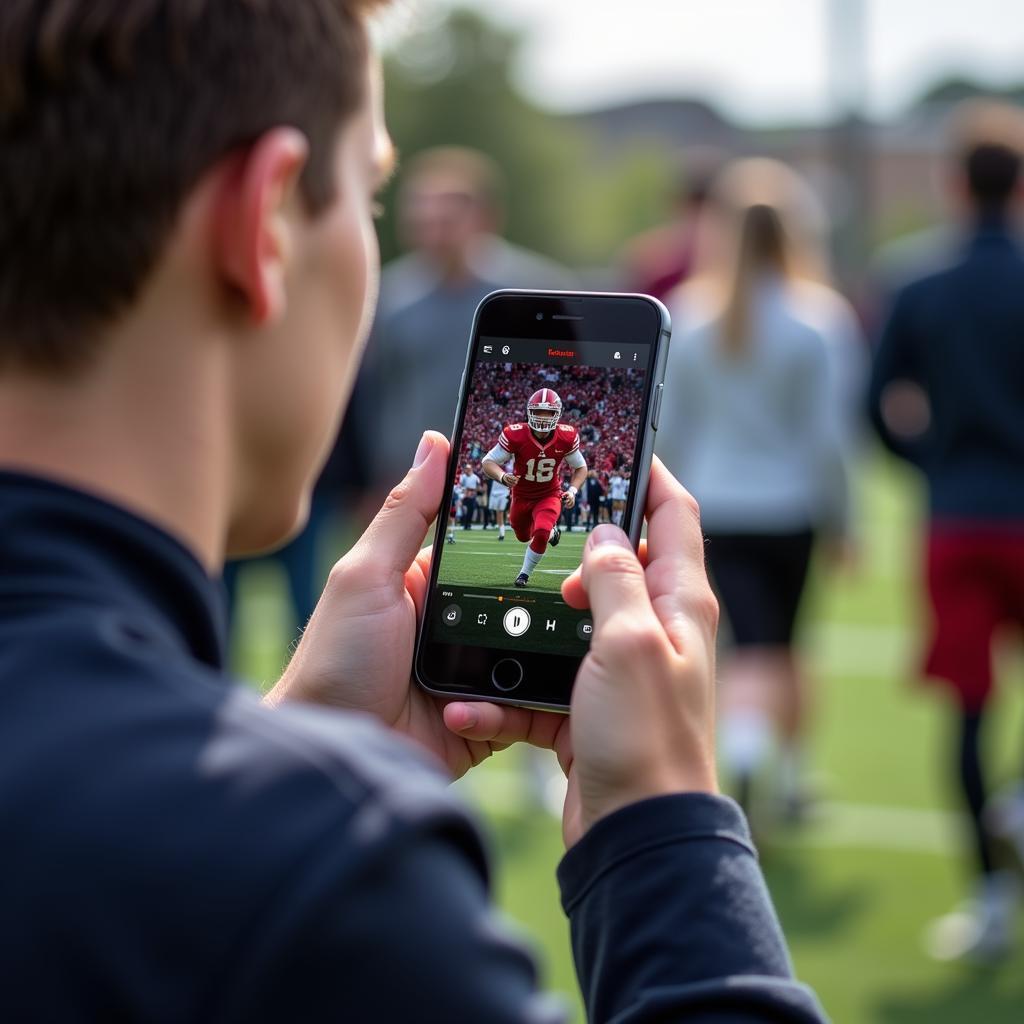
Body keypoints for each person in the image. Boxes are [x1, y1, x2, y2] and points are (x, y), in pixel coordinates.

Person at [0, 3, 827, 1021]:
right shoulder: (328, 879)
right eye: (372, 195)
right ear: (263, 225)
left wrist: (284, 753)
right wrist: (661, 822)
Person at [659, 158, 864, 821]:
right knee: (781, 644)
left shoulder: (691, 316)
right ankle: (767, 768)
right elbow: (831, 436)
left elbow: (674, 433)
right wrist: (845, 519)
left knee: (750, 644)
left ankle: (764, 763)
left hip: (715, 505)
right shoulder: (818, 319)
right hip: (790, 508)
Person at [868, 101, 1024, 962]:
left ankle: (991, 903)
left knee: (969, 710)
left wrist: (931, 467)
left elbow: (875, 405)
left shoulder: (918, 283)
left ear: (956, 184)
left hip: (958, 519)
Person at [345, 146, 575, 510]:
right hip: (413, 472)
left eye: (447, 220)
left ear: (484, 218)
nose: (435, 233)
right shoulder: (389, 295)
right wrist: (372, 475)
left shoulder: (534, 292)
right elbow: (377, 393)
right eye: (424, 221)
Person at [481, 388, 586, 588]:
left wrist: (572, 491)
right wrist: (503, 476)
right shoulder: (516, 434)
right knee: (522, 535)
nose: (543, 418)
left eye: (548, 413)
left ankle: (524, 575)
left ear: (557, 414)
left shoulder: (566, 436)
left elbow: (580, 467)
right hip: (521, 495)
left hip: (549, 494)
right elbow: (488, 462)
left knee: (542, 530)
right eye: (538, 412)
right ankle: (552, 533)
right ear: (530, 412)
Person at [487, 462, 513, 540]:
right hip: (495, 492)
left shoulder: (509, 468)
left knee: (501, 512)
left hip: (504, 492)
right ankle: (501, 532)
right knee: (498, 512)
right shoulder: (495, 467)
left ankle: (502, 532)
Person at [458, 461, 480, 530]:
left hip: (472, 496)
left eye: (468, 469)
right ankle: (464, 523)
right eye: (466, 469)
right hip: (465, 496)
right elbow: (460, 486)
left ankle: (468, 524)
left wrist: (474, 492)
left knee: (471, 510)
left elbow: (478, 486)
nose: (467, 470)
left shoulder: (475, 477)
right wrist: (465, 491)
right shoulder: (463, 477)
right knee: (465, 510)